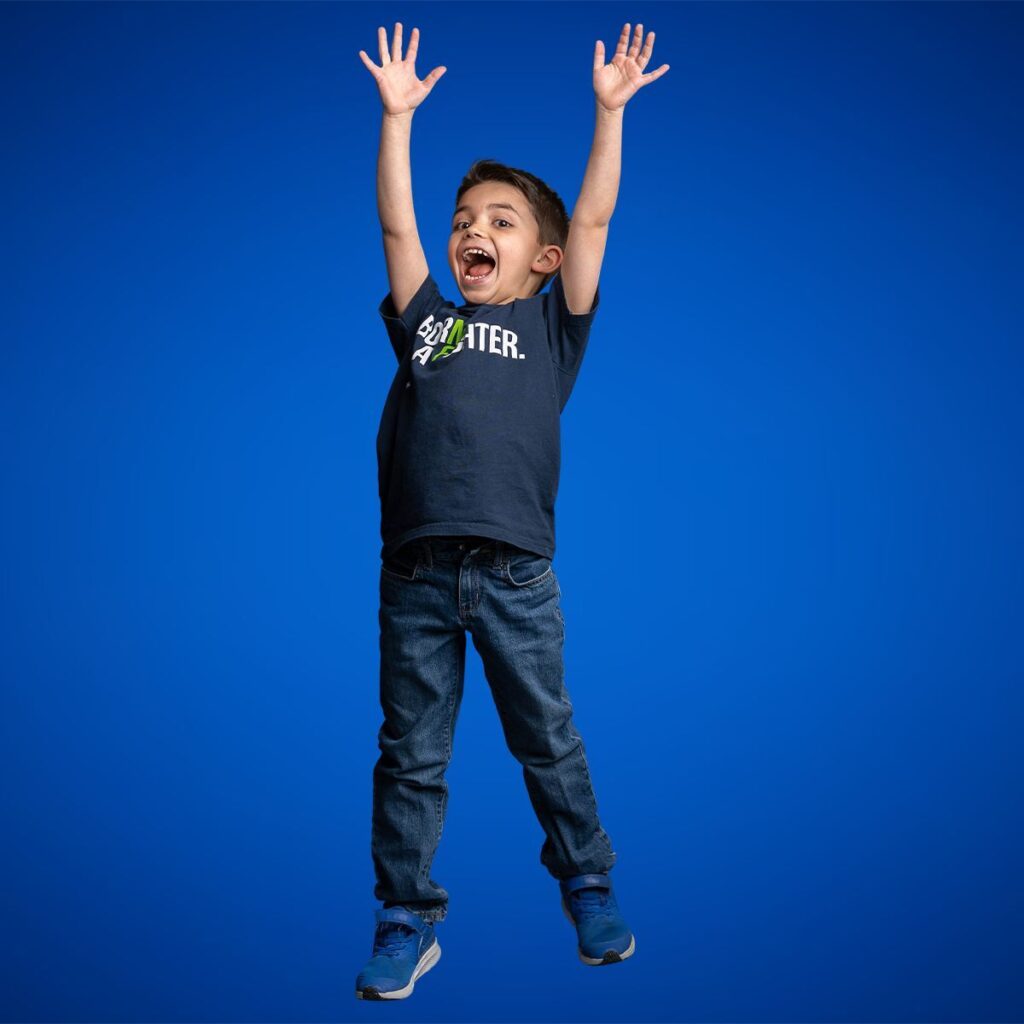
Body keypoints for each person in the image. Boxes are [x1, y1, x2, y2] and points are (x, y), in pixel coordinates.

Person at [354, 20, 669, 1001]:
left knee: (546, 733)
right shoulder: (431, 328)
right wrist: (396, 121)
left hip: (514, 576)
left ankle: (587, 880)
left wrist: (607, 114)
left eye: (497, 221)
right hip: (415, 575)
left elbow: (596, 223)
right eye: (464, 220)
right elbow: (397, 229)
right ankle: (407, 913)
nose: (470, 232)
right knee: (411, 752)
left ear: (541, 258)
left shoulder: (549, 326)